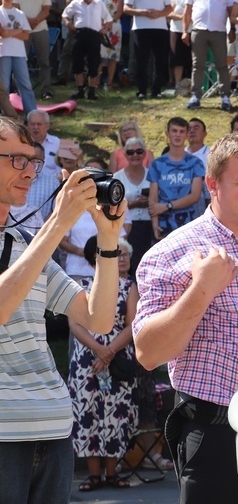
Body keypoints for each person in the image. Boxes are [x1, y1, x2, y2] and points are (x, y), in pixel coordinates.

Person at [133, 133, 238, 504]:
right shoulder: (172, 252)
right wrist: (202, 290)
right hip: (216, 435)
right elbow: (148, 353)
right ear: (212, 184)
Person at [0, 116, 126, 504]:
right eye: (15, 159)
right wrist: (57, 224)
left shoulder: (25, 242)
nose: (29, 171)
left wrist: (108, 240)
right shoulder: (39, 239)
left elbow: (98, 319)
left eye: (33, 160)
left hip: (52, 429)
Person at [68, 237, 137, 492]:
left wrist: (109, 351)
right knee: (88, 414)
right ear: (94, 259)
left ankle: (112, 473)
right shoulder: (79, 286)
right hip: (86, 359)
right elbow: (74, 324)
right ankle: (93, 476)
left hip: (117, 357)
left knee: (116, 414)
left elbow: (132, 324)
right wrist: (98, 349)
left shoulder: (128, 286)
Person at [147, 117, 205, 241]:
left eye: (181, 131)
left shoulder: (196, 163)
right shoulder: (157, 164)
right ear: (167, 134)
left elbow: (195, 196)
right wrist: (154, 223)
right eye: (174, 131)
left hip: (188, 223)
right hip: (164, 224)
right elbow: (153, 198)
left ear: (187, 134)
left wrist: (168, 206)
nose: (178, 135)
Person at [182, 0, 234, 111]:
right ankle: (195, 96)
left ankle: (225, 96)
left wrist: (232, 30)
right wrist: (185, 30)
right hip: (198, 30)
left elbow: (231, 12)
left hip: (219, 31)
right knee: (197, 64)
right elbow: (187, 11)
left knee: (222, 65)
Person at [62, 0, 112, 100]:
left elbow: (108, 18)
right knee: (77, 61)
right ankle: (80, 90)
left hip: (94, 35)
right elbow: (65, 14)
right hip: (79, 34)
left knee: (93, 62)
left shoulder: (99, 4)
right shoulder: (75, 3)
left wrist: (105, 29)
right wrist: (68, 24)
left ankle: (91, 90)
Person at [113, 137, 151, 274]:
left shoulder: (152, 175)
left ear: (144, 153)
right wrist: (133, 204)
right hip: (127, 227)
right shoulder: (117, 178)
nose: (135, 155)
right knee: (131, 264)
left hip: (150, 224)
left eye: (139, 151)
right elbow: (112, 206)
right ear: (125, 155)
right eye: (130, 152)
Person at [123, 0, 171, 100]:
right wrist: (143, 12)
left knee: (160, 61)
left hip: (160, 29)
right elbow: (126, 8)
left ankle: (156, 90)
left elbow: (169, 8)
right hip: (141, 29)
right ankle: (142, 90)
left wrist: (159, 14)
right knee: (141, 61)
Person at [0, 0, 36, 116]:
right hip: (3, 52)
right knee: (3, 86)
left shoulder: (20, 13)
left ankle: (31, 114)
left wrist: (9, 32)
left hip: (19, 53)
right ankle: (3, 114)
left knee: (25, 83)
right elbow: (3, 33)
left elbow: (26, 36)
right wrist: (18, 30)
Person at [15, 0, 52, 99]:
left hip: (41, 29)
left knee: (44, 62)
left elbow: (46, 10)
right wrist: (28, 22)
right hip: (22, 30)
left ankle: (46, 91)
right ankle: (20, 91)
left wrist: (36, 21)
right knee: (20, 62)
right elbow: (15, 8)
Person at [96, 0, 122, 92]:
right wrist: (102, 22)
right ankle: (96, 81)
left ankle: (109, 82)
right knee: (99, 55)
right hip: (100, 25)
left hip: (114, 26)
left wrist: (111, 22)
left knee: (113, 56)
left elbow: (120, 11)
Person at [27, 109, 60, 176]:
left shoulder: (57, 143)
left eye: (39, 124)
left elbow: (65, 166)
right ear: (27, 125)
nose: (35, 127)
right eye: (32, 124)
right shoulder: (22, 142)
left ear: (47, 126)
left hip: (53, 183)